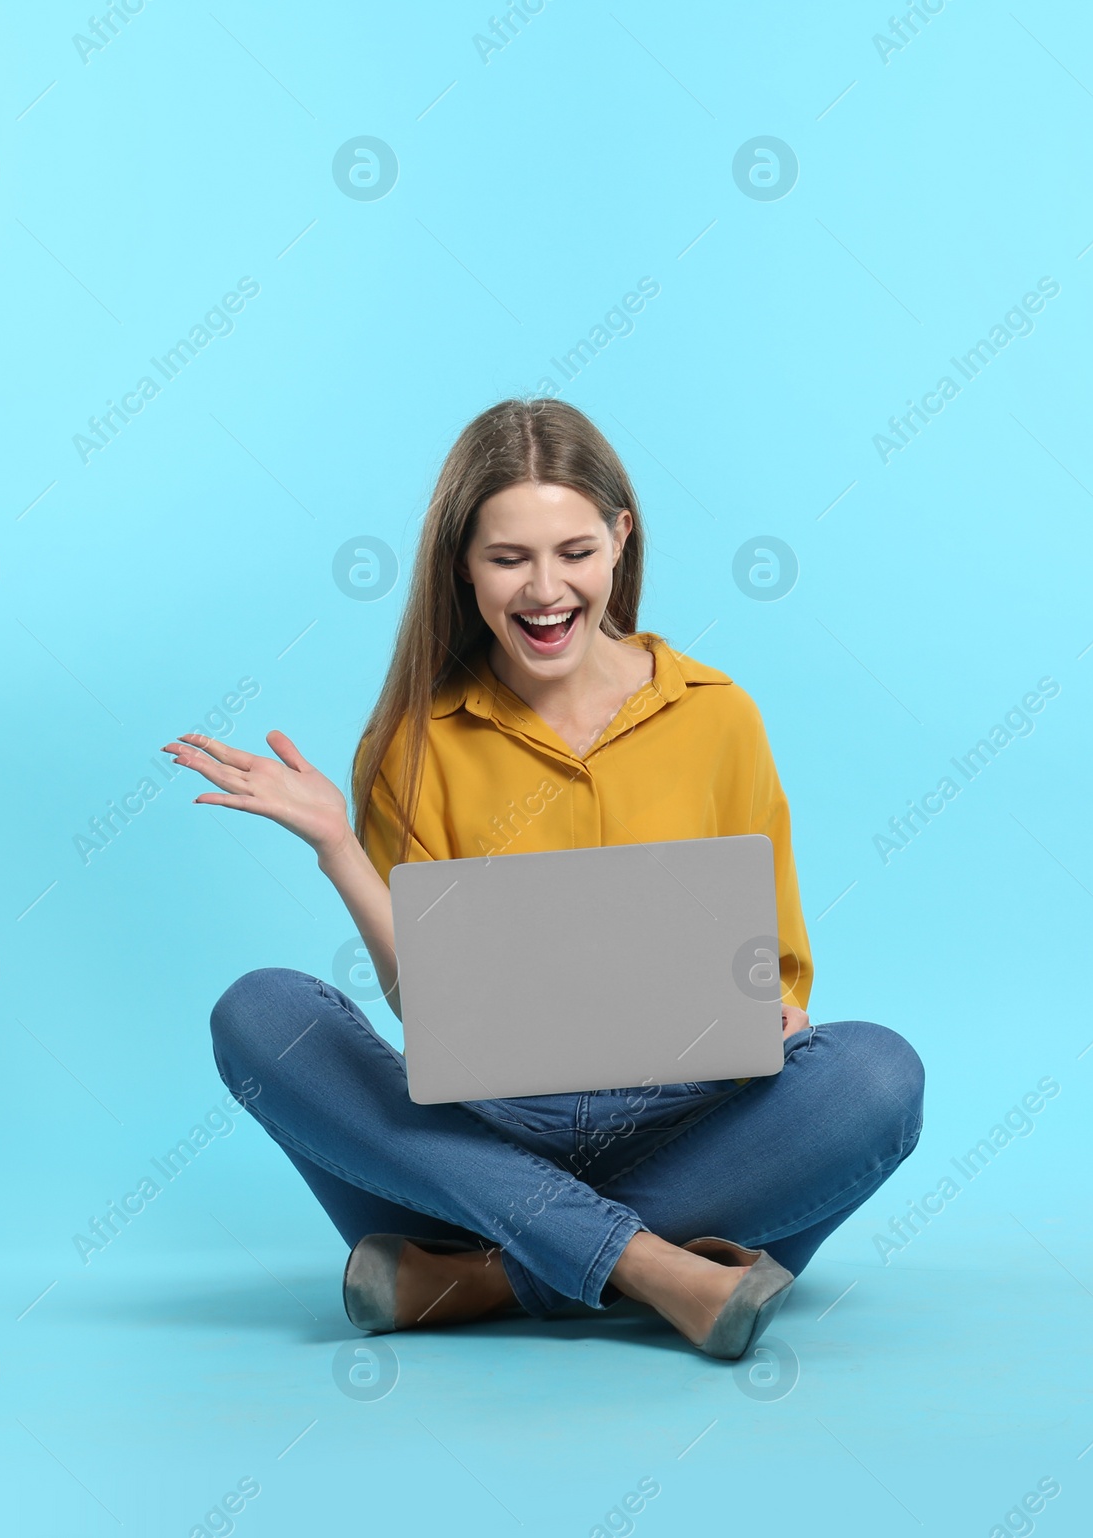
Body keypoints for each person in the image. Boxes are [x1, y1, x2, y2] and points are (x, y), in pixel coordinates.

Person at [164, 398, 923, 1360]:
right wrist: (339, 851)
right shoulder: (411, 743)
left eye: (573, 551)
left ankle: (482, 1280)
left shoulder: (718, 717)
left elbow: (775, 968)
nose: (546, 589)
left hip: (682, 1119)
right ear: (462, 564)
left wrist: (776, 1010)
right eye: (508, 558)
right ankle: (654, 1271)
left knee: (878, 1075)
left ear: (620, 540)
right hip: (480, 1141)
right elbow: (422, 1005)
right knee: (262, 1012)